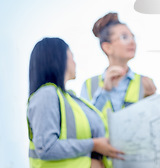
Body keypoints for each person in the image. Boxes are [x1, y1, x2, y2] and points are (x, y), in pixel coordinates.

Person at [27, 37, 124, 168]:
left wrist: (106, 90)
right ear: (59, 58)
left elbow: (92, 120)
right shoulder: (47, 94)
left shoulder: (67, 98)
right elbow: (46, 148)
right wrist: (94, 144)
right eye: (71, 56)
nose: (75, 62)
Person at [81, 12, 156, 116]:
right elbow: (86, 122)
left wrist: (153, 100)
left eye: (133, 37)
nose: (132, 42)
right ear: (108, 47)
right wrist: (104, 91)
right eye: (124, 37)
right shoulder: (90, 84)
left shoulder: (146, 82)